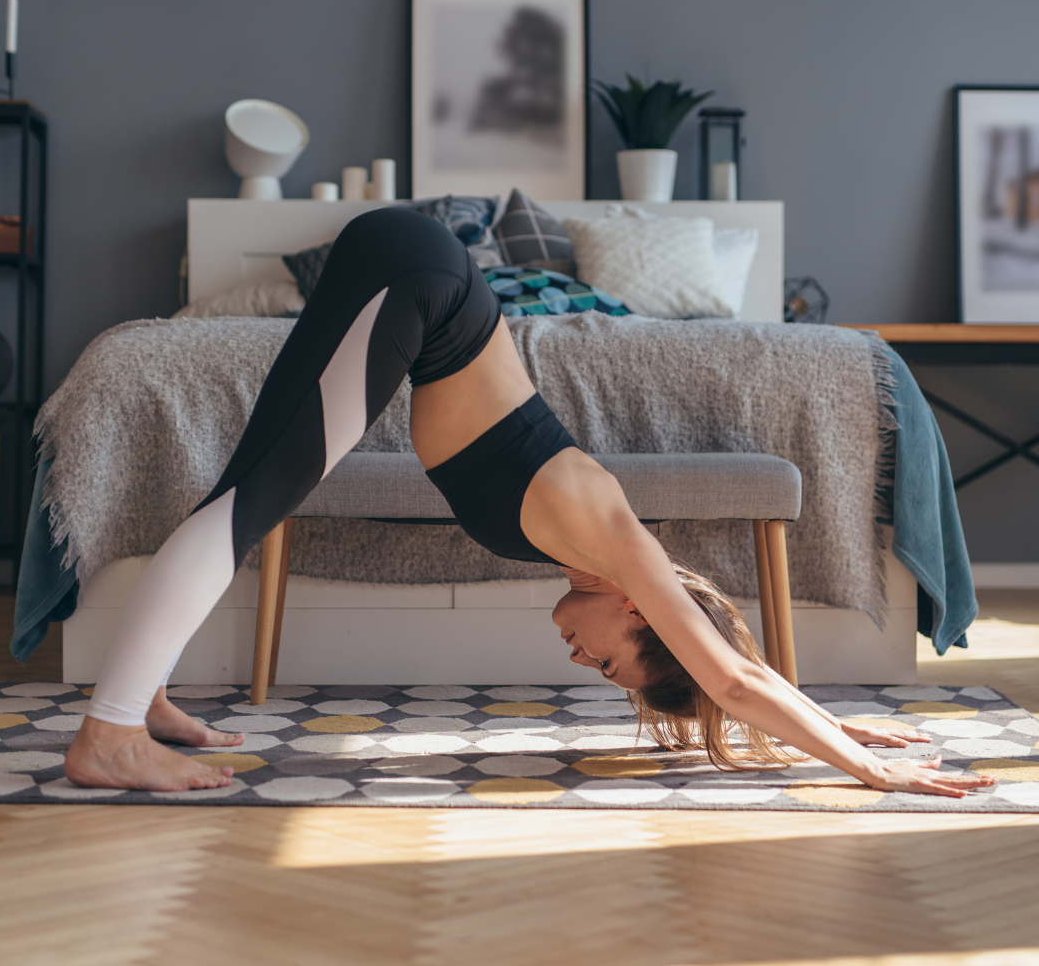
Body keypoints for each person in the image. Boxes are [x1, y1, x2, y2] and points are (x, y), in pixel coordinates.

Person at [64, 208, 994, 798]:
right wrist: (865, 766)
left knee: (247, 498)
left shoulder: (597, 551)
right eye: (613, 663)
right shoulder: (617, 540)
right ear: (641, 613)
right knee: (246, 505)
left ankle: (136, 703)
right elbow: (734, 681)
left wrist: (838, 720)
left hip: (419, 280)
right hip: (416, 278)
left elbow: (735, 676)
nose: (583, 659)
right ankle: (107, 734)